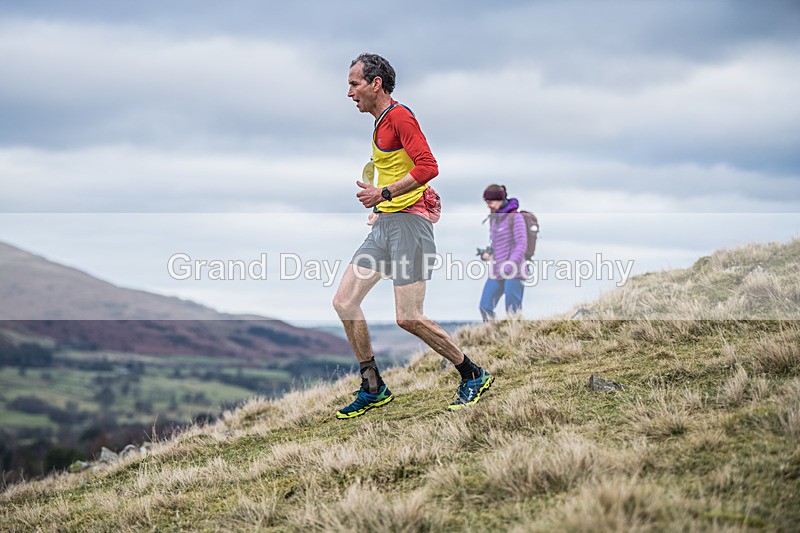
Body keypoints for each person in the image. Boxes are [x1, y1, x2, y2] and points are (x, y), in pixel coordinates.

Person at [333, 52, 494, 419]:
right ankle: (373, 386)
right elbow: (399, 170)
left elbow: (429, 166)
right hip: (387, 224)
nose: (349, 93)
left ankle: (473, 374)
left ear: (376, 84)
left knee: (408, 317)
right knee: (344, 301)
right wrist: (381, 207)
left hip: (409, 225)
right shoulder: (379, 123)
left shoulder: (400, 116)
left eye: (354, 84)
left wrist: (384, 194)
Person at [478, 184, 528, 321]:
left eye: (490, 202)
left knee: (513, 311)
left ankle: (515, 338)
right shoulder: (494, 219)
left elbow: (521, 244)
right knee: (485, 306)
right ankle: (492, 336)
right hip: (497, 270)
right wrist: (487, 252)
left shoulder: (515, 217)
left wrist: (509, 264)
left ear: (500, 199)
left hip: (515, 271)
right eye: (486, 203)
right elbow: (496, 243)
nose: (489, 206)